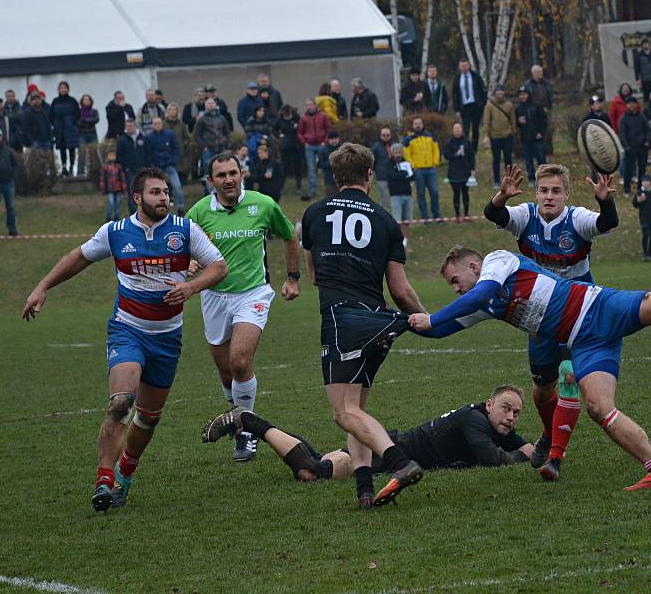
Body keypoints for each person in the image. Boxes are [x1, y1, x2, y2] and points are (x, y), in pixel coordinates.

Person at [408, 242, 651, 489]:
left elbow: (479, 293)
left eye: (456, 280)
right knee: (598, 407)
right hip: (584, 342)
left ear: (472, 265)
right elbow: (441, 331)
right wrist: (401, 323)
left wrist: (434, 316)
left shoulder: (497, 261)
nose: (456, 289)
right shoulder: (481, 302)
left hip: (600, 307)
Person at [22, 166, 228, 511]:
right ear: (137, 198)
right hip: (127, 329)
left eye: (165, 192)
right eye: (155, 193)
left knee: (149, 417)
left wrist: (190, 287)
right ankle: (104, 481)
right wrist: (42, 287)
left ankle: (126, 473)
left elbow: (219, 266)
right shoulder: (115, 232)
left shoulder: (185, 230)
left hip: (167, 337)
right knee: (120, 402)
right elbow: (78, 258)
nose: (164, 198)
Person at [300, 142, 427, 509]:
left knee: (344, 413)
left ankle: (399, 462)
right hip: (379, 323)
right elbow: (400, 290)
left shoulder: (313, 213)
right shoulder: (386, 220)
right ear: (370, 175)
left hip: (343, 320)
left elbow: (313, 275)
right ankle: (364, 491)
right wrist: (424, 316)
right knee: (356, 410)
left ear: (336, 176)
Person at [483, 164, 618, 478]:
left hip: (578, 312)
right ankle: (548, 432)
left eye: (556, 190)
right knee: (543, 390)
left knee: (569, 375)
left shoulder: (577, 219)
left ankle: (555, 458)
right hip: (540, 314)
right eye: (544, 190)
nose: (549, 196)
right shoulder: (525, 217)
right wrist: (501, 196)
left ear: (567, 195)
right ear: (536, 193)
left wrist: (604, 201)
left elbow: (607, 221)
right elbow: (495, 215)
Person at [186, 152, 299, 461]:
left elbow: (290, 236)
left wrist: (292, 277)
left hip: (253, 294)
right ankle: (238, 414)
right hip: (213, 296)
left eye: (233, 172)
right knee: (226, 374)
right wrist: (191, 262)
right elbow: (183, 247)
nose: (229, 179)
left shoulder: (263, 204)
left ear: (242, 174)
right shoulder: (198, 213)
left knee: (239, 363)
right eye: (221, 175)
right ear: (211, 181)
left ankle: (246, 431)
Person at [201, 385, 534, 481]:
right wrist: (524, 455)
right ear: (489, 404)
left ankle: (252, 422)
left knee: (314, 463)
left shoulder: (492, 423)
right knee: (312, 471)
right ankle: (250, 421)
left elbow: (528, 447)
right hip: (386, 452)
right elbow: (494, 460)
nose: (511, 417)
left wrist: (542, 450)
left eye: (517, 413)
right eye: (506, 407)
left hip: (389, 446)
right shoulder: (474, 420)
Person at [402, 115, 442, 224]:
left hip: (431, 169)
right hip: (418, 170)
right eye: (416, 124)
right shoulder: (408, 139)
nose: (418, 125)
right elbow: (406, 154)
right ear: (413, 125)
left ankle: (437, 215)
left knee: (434, 192)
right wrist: (413, 166)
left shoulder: (430, 136)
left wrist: (435, 162)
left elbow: (436, 150)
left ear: (422, 124)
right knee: (421, 193)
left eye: (419, 123)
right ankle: (425, 218)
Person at [144, 116, 184, 216]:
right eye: (155, 123)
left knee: (178, 187)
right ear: (152, 125)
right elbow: (148, 153)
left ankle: (181, 208)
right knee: (156, 190)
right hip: (157, 168)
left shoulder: (169, 134)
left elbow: (176, 148)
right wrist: (152, 165)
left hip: (169, 165)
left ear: (162, 123)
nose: (157, 125)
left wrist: (173, 161)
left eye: (159, 123)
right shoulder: (148, 137)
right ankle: (158, 209)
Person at [482, 84, 516, 189]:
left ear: (504, 92)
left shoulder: (509, 105)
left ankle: (509, 180)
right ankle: (496, 181)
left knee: (508, 159)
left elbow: (513, 119)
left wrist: (512, 132)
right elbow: (486, 121)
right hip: (495, 137)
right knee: (496, 159)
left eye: (502, 91)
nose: (500, 93)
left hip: (507, 135)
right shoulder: (490, 105)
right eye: (498, 91)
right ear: (495, 93)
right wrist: (486, 135)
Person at [297, 98, 331, 201]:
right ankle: (312, 191)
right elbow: (299, 132)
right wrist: (304, 142)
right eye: (307, 105)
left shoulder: (323, 116)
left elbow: (328, 129)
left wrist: (325, 142)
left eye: (311, 104)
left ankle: (327, 189)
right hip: (309, 146)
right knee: (311, 170)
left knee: (325, 168)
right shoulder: (304, 118)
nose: (309, 107)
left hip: (321, 145)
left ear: (315, 105)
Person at [195, 98, 231, 193]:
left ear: (215, 105)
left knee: (223, 169)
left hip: (221, 148)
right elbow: (197, 134)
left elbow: (227, 132)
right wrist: (203, 146)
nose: (211, 105)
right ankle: (209, 193)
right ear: (205, 106)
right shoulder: (202, 119)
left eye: (212, 103)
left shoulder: (222, 118)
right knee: (208, 171)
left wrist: (226, 143)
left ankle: (224, 190)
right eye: (208, 103)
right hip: (208, 149)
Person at [451, 59, 487, 151]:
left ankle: (474, 148)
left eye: (465, 66)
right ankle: (466, 147)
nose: (464, 68)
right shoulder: (457, 79)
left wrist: (483, 104)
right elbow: (454, 95)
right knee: (466, 129)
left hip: (475, 105)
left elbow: (482, 90)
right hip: (464, 107)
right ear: (459, 67)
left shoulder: (475, 76)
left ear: (469, 66)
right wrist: (456, 109)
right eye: (462, 66)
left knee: (475, 129)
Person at [443, 122, 476, 223]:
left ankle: (466, 214)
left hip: (465, 171)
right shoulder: (449, 142)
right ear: (453, 131)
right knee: (456, 194)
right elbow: (446, 155)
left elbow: (471, 156)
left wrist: (473, 169)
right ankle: (457, 215)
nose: (457, 130)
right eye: (455, 129)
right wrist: (456, 154)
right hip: (454, 173)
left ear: (462, 130)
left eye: (459, 128)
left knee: (465, 193)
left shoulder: (467, 142)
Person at [517, 87, 548, 186]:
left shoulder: (536, 106)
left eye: (524, 94)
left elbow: (544, 120)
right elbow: (515, 124)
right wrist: (518, 122)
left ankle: (545, 177)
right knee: (528, 160)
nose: (523, 96)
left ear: (528, 94)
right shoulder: (518, 109)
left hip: (537, 137)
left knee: (541, 158)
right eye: (521, 94)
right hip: (525, 138)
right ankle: (531, 178)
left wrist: (541, 133)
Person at [619, 96, 650, 196]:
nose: (631, 105)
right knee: (629, 168)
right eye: (629, 103)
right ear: (626, 105)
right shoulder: (623, 118)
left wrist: (646, 141)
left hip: (642, 147)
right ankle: (627, 188)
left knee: (642, 168)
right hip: (630, 147)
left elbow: (647, 130)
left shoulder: (641, 116)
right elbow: (622, 134)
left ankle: (640, 188)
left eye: (633, 103)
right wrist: (626, 146)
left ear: (636, 104)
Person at [116, 119, 147, 216]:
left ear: (135, 126)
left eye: (131, 125)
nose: (130, 128)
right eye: (128, 126)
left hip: (142, 170)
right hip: (130, 171)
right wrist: (126, 167)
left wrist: (146, 165)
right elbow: (119, 156)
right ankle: (134, 215)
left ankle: (145, 213)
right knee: (132, 193)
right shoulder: (122, 140)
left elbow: (148, 152)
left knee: (144, 192)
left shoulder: (142, 137)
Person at [49, 81, 80, 177]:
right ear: (58, 90)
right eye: (61, 88)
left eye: (64, 88)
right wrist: (54, 124)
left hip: (70, 127)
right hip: (59, 128)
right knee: (62, 148)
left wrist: (72, 122)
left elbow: (78, 114)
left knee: (71, 148)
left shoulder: (72, 100)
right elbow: (51, 115)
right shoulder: (55, 101)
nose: (63, 89)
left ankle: (71, 167)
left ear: (68, 89)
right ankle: (64, 167)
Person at [523, 65, 554, 155]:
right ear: (533, 73)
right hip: (534, 112)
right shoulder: (528, 84)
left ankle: (548, 150)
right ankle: (536, 151)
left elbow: (550, 95)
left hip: (546, 110)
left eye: (541, 72)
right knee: (536, 130)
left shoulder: (546, 83)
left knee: (548, 130)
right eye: (539, 72)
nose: (541, 74)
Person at [386, 143, 413, 246]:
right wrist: (403, 174)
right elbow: (393, 176)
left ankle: (405, 240)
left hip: (408, 194)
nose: (398, 154)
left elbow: (412, 176)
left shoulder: (406, 162)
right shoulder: (389, 164)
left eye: (399, 151)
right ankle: (397, 239)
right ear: (392, 153)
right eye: (396, 152)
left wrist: (402, 175)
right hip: (395, 195)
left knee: (407, 220)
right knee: (397, 220)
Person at [632, 174, 651, 261]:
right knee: (646, 234)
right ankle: (645, 253)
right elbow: (634, 204)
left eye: (647, 181)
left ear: (650, 182)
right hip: (644, 218)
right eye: (644, 181)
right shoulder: (639, 192)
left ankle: (650, 251)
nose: (645, 183)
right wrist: (638, 201)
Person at [274, 105, 303, 193]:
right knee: (284, 168)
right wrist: (279, 136)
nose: (287, 115)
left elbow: (301, 128)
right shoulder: (279, 120)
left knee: (298, 167)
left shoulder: (297, 118)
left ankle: (299, 187)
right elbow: (274, 129)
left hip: (296, 146)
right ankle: (281, 187)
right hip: (285, 147)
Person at [0, 128, 19, 236]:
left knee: (10, 207)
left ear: (2, 137)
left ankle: (12, 230)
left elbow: (15, 165)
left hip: (9, 183)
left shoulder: (8, 150)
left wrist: (12, 174)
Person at [370, 126, 395, 209]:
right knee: (383, 195)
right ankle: (384, 211)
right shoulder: (376, 147)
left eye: (387, 135)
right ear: (380, 135)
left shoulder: (394, 145)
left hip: (393, 175)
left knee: (394, 195)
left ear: (390, 135)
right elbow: (372, 161)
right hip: (382, 176)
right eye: (384, 135)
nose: (386, 137)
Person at [98, 150, 126, 222]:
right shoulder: (105, 167)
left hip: (118, 188)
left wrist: (123, 188)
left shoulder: (118, 166)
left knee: (117, 204)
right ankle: (109, 218)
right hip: (109, 189)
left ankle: (117, 218)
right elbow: (102, 179)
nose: (112, 157)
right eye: (110, 155)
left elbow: (122, 178)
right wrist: (103, 189)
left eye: (113, 155)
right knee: (110, 203)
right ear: (107, 156)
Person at [76, 94, 100, 175]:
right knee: (81, 153)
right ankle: (80, 173)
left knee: (94, 153)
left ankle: (95, 172)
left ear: (91, 101)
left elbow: (96, 119)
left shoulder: (94, 111)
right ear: (82, 101)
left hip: (92, 134)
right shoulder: (78, 111)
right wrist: (89, 121)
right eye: (85, 99)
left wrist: (86, 120)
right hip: (82, 134)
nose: (86, 101)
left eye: (88, 99)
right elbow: (77, 122)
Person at [317, 131, 341, 197]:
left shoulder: (342, 149)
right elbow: (320, 164)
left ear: (338, 139)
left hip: (342, 180)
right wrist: (331, 164)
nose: (334, 141)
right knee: (331, 197)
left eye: (335, 139)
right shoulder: (324, 150)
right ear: (328, 140)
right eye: (332, 139)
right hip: (329, 180)